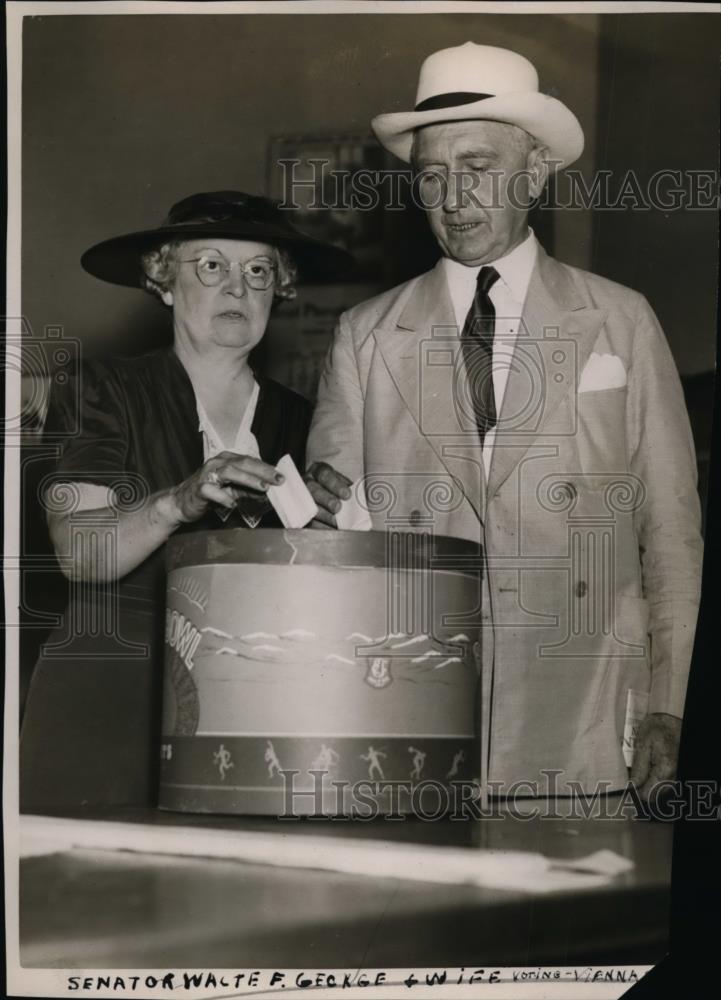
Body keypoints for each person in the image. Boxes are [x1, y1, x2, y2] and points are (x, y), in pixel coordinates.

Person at [306, 43, 703, 798]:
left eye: (478, 166)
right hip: (411, 722)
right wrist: (320, 519)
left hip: (585, 720)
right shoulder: (364, 335)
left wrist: (670, 702)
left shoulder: (619, 320)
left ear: (533, 171)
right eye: (431, 174)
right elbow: (337, 543)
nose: (452, 196)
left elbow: (671, 529)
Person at [20, 190, 349, 810]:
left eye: (258, 271)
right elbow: (79, 552)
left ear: (279, 288)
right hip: (108, 690)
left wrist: (338, 526)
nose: (236, 287)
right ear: (163, 280)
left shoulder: (305, 422)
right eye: (211, 265)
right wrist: (178, 499)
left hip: (246, 702)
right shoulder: (102, 388)